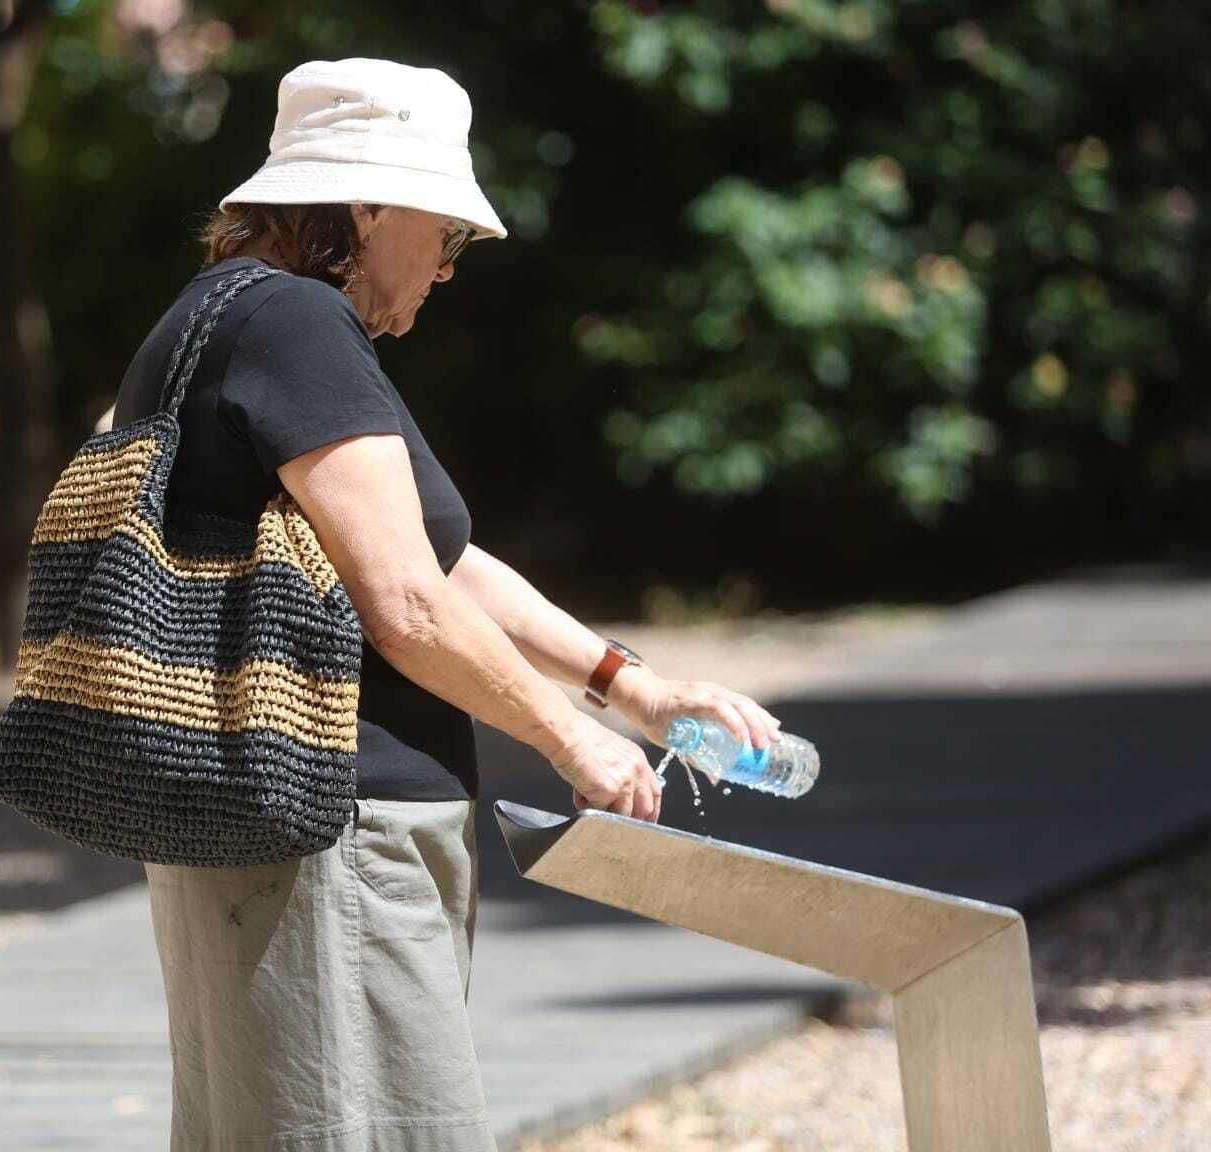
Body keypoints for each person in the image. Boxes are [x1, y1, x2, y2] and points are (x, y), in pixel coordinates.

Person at [107, 57, 783, 1152]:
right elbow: (408, 606)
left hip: (276, 834)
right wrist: (570, 740)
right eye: (447, 232)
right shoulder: (295, 326)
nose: (449, 266)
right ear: (368, 207)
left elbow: (440, 564)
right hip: (329, 839)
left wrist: (632, 691)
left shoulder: (221, 314)